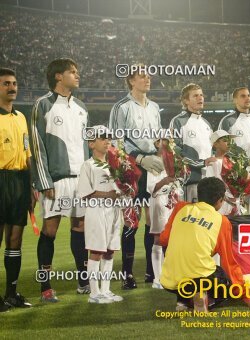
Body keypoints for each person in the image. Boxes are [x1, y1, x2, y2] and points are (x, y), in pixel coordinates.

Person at [30, 58, 89, 302]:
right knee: (50, 230)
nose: (77, 76)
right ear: (58, 76)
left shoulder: (81, 107)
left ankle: (83, 282)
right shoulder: (42, 105)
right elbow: (36, 146)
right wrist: (44, 181)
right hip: (57, 180)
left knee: (80, 228)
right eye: (72, 72)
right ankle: (45, 287)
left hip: (81, 179)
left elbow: (86, 146)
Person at [159, 177, 250, 312]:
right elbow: (229, 262)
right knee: (223, 278)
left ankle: (183, 301)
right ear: (220, 201)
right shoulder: (221, 221)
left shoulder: (180, 207)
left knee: (178, 256)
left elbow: (164, 239)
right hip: (200, 279)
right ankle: (203, 299)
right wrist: (246, 295)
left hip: (168, 280)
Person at [109, 64, 163, 289]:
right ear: (131, 81)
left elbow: (158, 139)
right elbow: (115, 142)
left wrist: (164, 153)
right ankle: (127, 275)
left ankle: (152, 273)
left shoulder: (155, 107)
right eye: (142, 76)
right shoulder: (121, 107)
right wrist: (139, 159)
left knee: (154, 222)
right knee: (132, 221)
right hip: (133, 169)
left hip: (154, 168)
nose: (147, 79)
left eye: (149, 75)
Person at [77, 125, 123, 304]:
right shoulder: (87, 165)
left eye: (108, 138)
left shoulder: (115, 165)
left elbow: (120, 188)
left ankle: (106, 290)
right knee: (96, 251)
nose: (107, 141)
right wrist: (108, 195)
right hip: (96, 211)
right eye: (102, 138)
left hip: (113, 211)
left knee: (110, 252)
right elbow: (85, 193)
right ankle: (94, 293)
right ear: (91, 143)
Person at [0, 68, 33, 310]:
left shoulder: (21, 117)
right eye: (5, 84)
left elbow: (27, 153)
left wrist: (32, 185)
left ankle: (11, 293)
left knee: (15, 239)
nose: (12, 87)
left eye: (14, 83)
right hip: (1, 179)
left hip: (20, 181)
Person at [169, 83, 216, 203]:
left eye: (201, 95)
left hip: (208, 182)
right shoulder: (178, 122)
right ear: (186, 101)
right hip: (190, 182)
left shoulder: (206, 124)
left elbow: (212, 151)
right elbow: (176, 152)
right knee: (190, 218)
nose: (200, 98)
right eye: (195, 96)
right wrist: (201, 163)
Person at [146, 137, 179, 289]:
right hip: (159, 201)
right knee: (158, 239)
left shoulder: (175, 160)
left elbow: (178, 182)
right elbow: (150, 187)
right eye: (162, 141)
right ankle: (157, 279)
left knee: (173, 240)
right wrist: (165, 180)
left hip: (172, 202)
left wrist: (175, 188)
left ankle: (168, 275)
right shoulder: (153, 160)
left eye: (167, 141)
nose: (164, 144)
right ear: (157, 143)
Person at [218, 87, 250, 160]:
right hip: (236, 167)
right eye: (243, 96)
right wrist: (246, 161)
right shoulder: (227, 120)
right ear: (235, 100)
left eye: (249, 95)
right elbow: (223, 147)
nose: (247, 98)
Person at [205, 130, 237, 215]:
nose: (229, 143)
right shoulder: (211, 163)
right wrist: (227, 198)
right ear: (215, 144)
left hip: (235, 205)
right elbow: (211, 187)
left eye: (230, 140)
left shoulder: (234, 162)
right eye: (225, 140)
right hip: (220, 205)